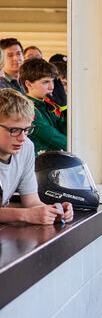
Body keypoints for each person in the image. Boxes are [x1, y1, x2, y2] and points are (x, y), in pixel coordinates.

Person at [0, 89, 73, 224]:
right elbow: (28, 212)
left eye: (26, 130)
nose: (22, 138)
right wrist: (25, 215)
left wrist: (53, 211)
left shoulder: (26, 147)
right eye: (14, 130)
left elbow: (32, 201)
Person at [20, 58, 67, 152]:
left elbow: (69, 133)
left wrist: (64, 107)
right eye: (45, 82)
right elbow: (64, 142)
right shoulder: (25, 109)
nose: (51, 87)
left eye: (52, 81)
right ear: (28, 84)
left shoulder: (47, 106)